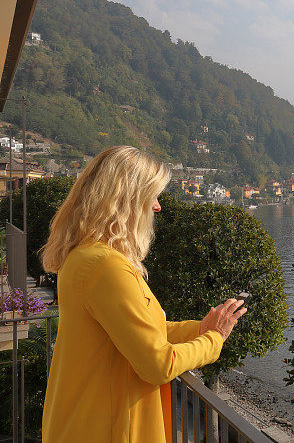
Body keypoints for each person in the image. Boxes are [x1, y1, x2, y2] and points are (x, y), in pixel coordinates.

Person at [40, 146, 246, 442]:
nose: (158, 206)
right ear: (127, 200)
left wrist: (198, 329)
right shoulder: (106, 266)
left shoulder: (86, 256)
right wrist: (214, 340)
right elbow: (157, 365)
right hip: (109, 429)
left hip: (85, 422)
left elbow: (135, 333)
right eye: (152, 195)